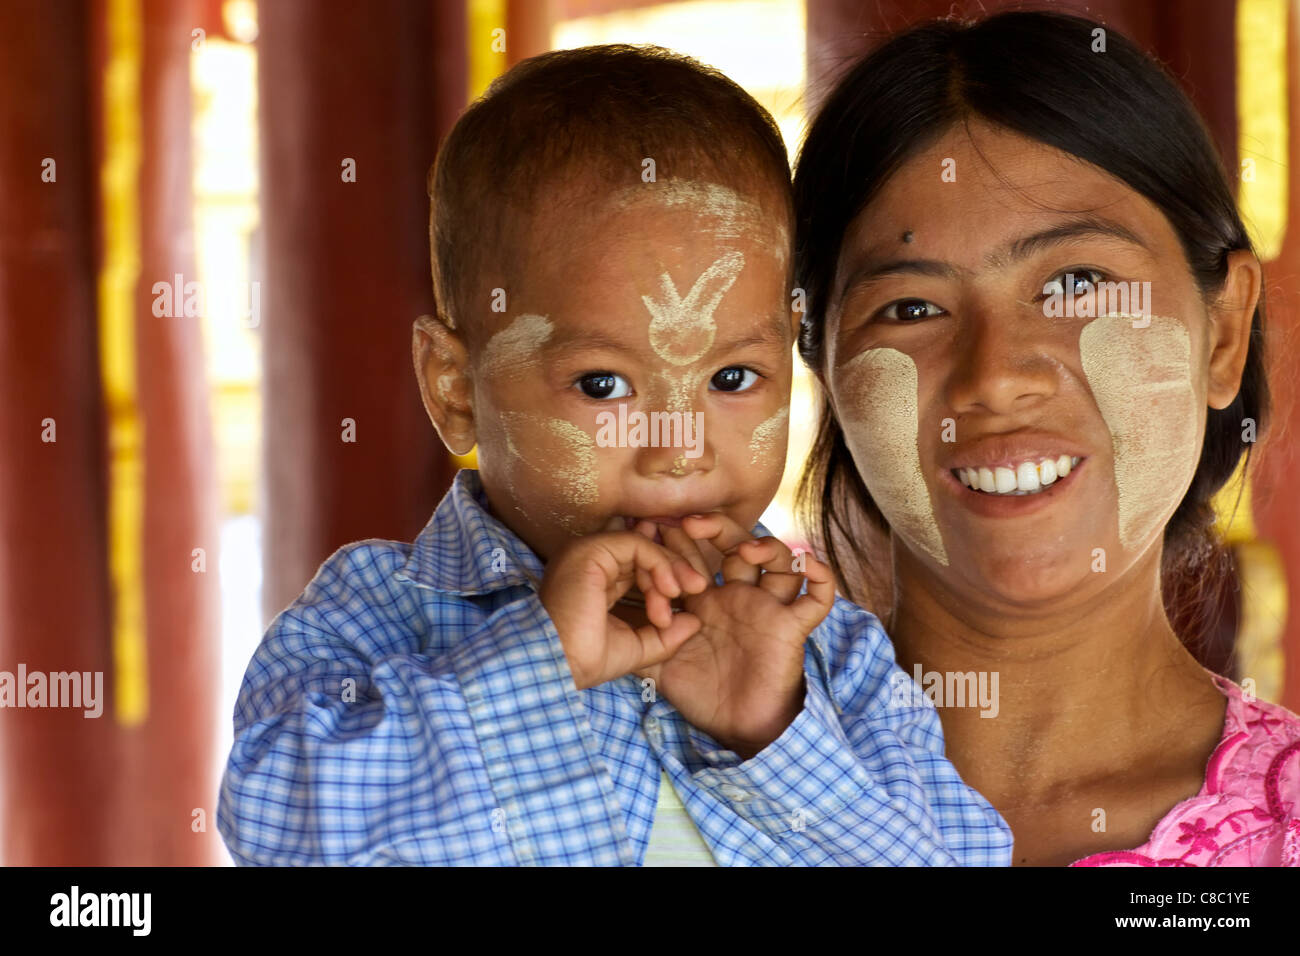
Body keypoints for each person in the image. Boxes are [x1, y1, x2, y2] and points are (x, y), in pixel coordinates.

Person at [217, 44, 1012, 866]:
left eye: (733, 377)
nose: (679, 448)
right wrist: (540, 664)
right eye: (604, 387)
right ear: (457, 388)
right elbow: (279, 824)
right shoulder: (376, 616)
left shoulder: (827, 655)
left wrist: (772, 734)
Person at [793, 10, 1300, 866]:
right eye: (912, 308)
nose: (993, 375)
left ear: (1223, 331)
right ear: (824, 361)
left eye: (1075, 283)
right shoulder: (663, 783)